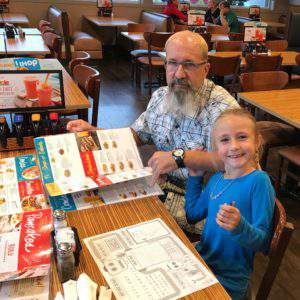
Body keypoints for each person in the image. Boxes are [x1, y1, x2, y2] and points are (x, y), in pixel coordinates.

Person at [67, 31, 239, 234]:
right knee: (91, 205)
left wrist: (181, 158)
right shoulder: (160, 97)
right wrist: (97, 133)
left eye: (190, 64)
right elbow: (137, 134)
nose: (179, 73)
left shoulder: (224, 110)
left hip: (209, 205)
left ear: (206, 69)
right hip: (162, 186)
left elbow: (241, 163)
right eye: (173, 63)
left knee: (116, 219)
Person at [185, 108, 275, 299]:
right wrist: (195, 178)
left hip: (231, 279)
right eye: (225, 140)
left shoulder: (259, 181)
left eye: (242, 137)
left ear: (257, 141)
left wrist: (239, 226)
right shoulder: (216, 180)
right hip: (202, 264)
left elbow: (263, 242)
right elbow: (192, 215)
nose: (234, 146)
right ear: (216, 147)